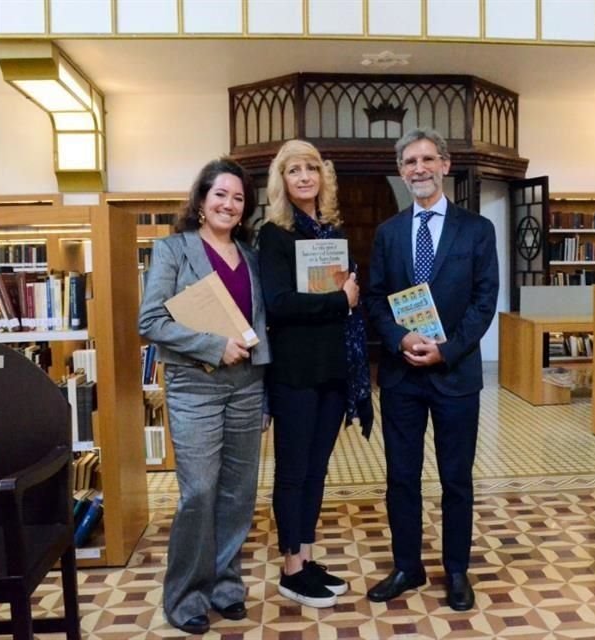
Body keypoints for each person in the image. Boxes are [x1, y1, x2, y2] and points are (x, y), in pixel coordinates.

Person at [365, 127, 499, 611]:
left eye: (427, 159)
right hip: (401, 375)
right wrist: (400, 338)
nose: (418, 168)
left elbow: (484, 300)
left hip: (455, 375)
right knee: (401, 477)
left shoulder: (477, 230)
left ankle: (457, 570)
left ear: (445, 164)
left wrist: (448, 349)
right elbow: (375, 299)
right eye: (409, 162)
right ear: (401, 172)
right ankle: (407, 566)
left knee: (455, 478)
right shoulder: (388, 232)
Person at [138, 156, 270, 635]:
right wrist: (215, 345)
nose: (229, 204)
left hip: (248, 386)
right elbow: (151, 321)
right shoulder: (173, 250)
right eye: (220, 195)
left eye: (238, 198)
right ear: (201, 200)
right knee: (198, 493)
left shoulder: (250, 256)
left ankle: (225, 586)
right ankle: (186, 596)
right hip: (195, 386)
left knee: (239, 493)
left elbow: (260, 324)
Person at [258, 139, 373, 609]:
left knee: (317, 469)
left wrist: (348, 297)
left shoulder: (330, 233)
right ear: (281, 181)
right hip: (295, 372)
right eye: (293, 170)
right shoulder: (274, 235)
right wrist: (339, 300)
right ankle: (290, 570)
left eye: (311, 168)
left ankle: (305, 557)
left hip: (334, 369)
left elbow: (345, 299)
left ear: (323, 177)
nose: (304, 176)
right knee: (293, 471)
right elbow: (278, 303)